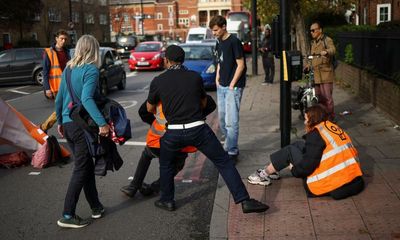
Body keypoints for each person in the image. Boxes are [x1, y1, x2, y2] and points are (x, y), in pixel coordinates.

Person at [147, 45, 268, 213]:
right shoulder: (194, 77)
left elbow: (149, 108)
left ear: (166, 60)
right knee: (223, 162)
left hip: (173, 131)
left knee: (166, 165)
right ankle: (244, 200)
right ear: (183, 60)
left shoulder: (158, 81)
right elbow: (204, 103)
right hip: (198, 129)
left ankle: (167, 200)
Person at [248, 105, 364, 200]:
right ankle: (274, 169)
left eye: (306, 119)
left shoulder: (316, 135)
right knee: (298, 144)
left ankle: (263, 174)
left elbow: (308, 167)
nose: (304, 122)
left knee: (289, 151)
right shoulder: (330, 126)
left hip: (328, 181)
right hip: (350, 177)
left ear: (312, 120)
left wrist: (294, 170)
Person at [55, 35, 109, 228]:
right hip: (81, 126)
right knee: (81, 168)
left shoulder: (68, 69)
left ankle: (96, 206)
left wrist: (60, 122)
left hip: (69, 124)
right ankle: (67, 214)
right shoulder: (91, 69)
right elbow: (86, 98)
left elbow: (59, 99)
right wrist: (102, 123)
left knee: (85, 166)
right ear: (94, 50)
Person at [209, 15, 247, 162]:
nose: (214, 33)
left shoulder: (234, 41)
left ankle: (232, 151)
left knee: (232, 121)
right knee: (223, 120)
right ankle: (230, 145)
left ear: (224, 26)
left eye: (216, 30)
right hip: (221, 86)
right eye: (212, 31)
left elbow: (241, 65)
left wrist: (232, 84)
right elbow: (219, 61)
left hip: (233, 87)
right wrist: (217, 77)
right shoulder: (218, 42)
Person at [305, 21, 336, 121]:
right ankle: (322, 118)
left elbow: (333, 50)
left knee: (328, 99)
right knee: (319, 98)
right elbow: (311, 57)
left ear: (320, 30)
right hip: (316, 75)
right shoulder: (313, 43)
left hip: (326, 74)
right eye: (310, 31)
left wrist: (326, 51)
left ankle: (330, 119)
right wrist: (308, 65)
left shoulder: (327, 40)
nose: (311, 32)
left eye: (313, 30)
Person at [41, 29, 71, 132]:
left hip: (67, 84)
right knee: (63, 107)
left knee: (65, 107)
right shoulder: (49, 52)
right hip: (56, 86)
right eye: (61, 39)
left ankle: (45, 127)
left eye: (65, 39)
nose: (63, 41)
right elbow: (45, 72)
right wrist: (47, 88)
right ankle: (44, 127)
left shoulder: (67, 51)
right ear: (56, 39)